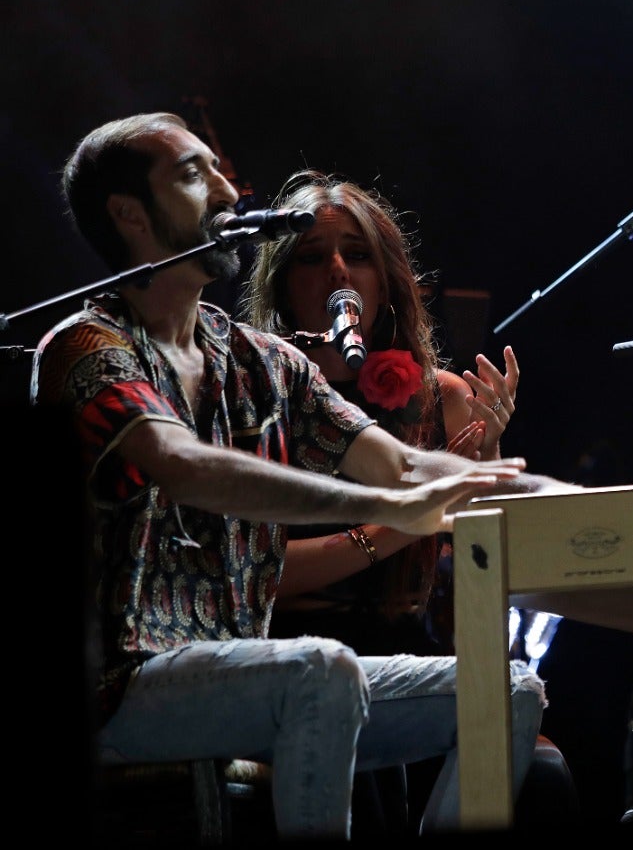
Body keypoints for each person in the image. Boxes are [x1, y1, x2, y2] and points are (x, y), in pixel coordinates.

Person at [34, 111, 574, 840]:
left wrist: (547, 494)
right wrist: (395, 508)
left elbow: (408, 461)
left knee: (509, 694)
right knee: (322, 667)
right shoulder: (88, 348)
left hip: (251, 679)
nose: (229, 188)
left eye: (220, 168)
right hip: (122, 690)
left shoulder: (264, 360)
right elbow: (184, 466)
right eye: (195, 173)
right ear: (130, 214)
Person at [238, 169, 524, 831]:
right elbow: (261, 577)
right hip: (291, 651)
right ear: (283, 281)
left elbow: (474, 562)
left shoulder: (441, 398)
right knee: (350, 744)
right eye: (312, 257)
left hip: (408, 644)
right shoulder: (249, 397)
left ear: (386, 279)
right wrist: (401, 523)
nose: (337, 269)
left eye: (358, 254)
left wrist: (479, 463)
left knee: (524, 743)